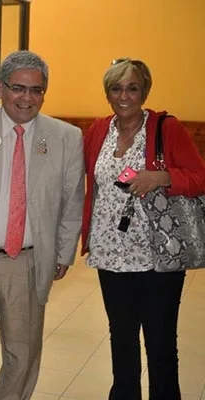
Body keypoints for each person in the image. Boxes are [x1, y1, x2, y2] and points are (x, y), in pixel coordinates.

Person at [0, 50, 85, 400]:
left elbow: (73, 200)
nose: (27, 98)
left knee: (22, 353)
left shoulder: (66, 137)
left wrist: (63, 252)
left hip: (29, 261)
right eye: (18, 88)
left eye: (37, 90)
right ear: (1, 88)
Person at [82, 58, 205, 400]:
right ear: (108, 92)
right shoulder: (98, 131)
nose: (124, 96)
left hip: (157, 256)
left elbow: (200, 177)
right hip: (109, 254)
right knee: (121, 338)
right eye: (116, 88)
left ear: (145, 91)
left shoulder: (167, 128)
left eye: (132, 88)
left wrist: (163, 177)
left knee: (161, 342)